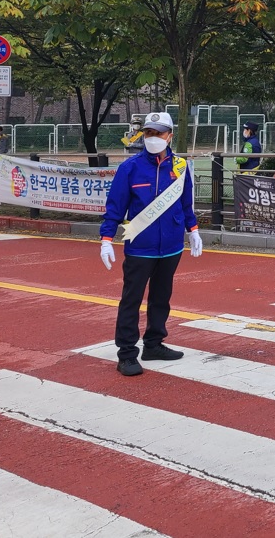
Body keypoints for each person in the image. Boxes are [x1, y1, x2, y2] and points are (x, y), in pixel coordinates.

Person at [100, 112, 203, 377]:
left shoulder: (180, 167)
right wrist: (106, 239)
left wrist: (193, 230)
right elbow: (115, 205)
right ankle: (126, 353)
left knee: (161, 297)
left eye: (158, 133)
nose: (153, 138)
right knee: (131, 299)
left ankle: (154, 344)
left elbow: (185, 202)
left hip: (171, 245)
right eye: (148, 133)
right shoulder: (130, 168)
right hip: (140, 246)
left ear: (169, 135)